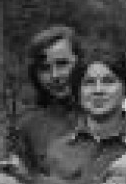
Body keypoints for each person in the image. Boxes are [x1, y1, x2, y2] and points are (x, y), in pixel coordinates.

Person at [32, 46, 126, 184]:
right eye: (89, 82)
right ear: (78, 92)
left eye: (108, 81)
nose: (98, 90)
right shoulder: (57, 150)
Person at [10, 26, 82, 172]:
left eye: (62, 64)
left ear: (80, 62)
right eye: (44, 68)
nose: (55, 75)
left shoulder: (107, 113)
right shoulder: (27, 125)